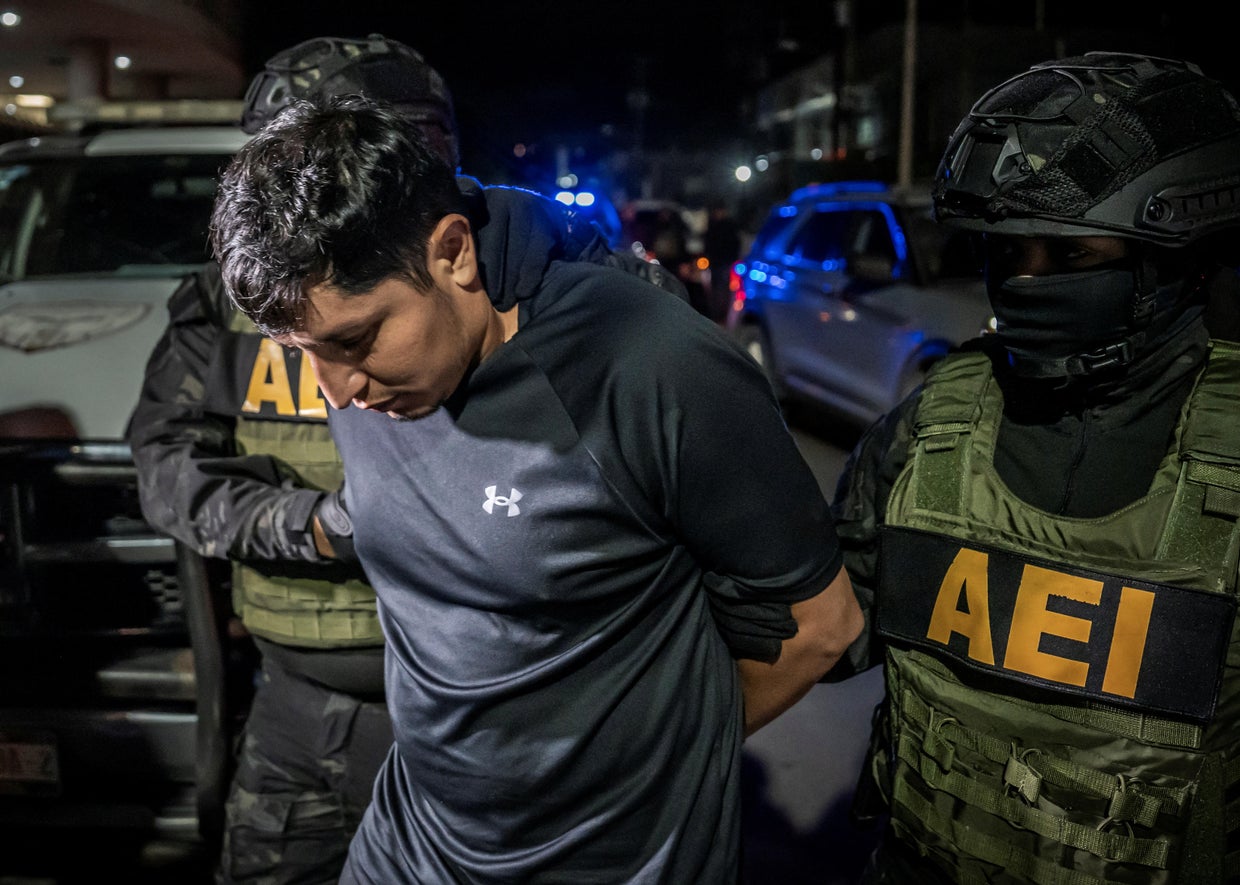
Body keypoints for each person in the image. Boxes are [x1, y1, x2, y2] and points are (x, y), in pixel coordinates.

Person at [208, 94, 864, 884]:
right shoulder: (373, 377)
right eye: (303, 351)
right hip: (408, 845)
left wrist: (659, 769)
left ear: (454, 253)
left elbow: (820, 625)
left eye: (356, 339)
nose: (335, 391)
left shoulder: (651, 363)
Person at [829, 51, 1240, 883]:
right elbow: (825, 632)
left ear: (1175, 257)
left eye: (1068, 255)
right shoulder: (931, 426)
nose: (1026, 280)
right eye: (1009, 252)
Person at [127, 34, 462, 885]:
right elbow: (166, 464)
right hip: (294, 708)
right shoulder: (231, 302)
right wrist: (308, 526)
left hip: (462, 710)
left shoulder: (481, 286)